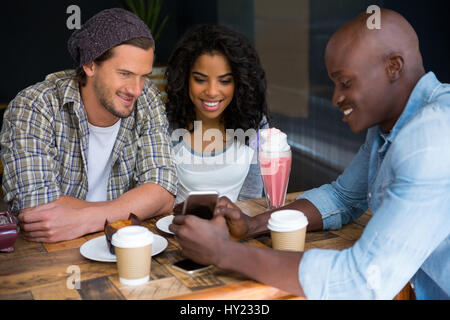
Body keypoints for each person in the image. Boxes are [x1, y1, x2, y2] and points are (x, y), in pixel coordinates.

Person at [170, 9, 450, 299]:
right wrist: (251, 225)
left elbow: (360, 281)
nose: (335, 98)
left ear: (393, 67)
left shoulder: (430, 139)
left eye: (345, 83)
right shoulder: (389, 128)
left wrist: (224, 252)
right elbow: (342, 197)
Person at [0, 8, 177, 243]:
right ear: (90, 65)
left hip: (125, 245)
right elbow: (37, 209)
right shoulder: (35, 106)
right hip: (53, 258)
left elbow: (163, 192)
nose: (137, 89)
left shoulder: (147, 100)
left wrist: (87, 219)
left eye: (143, 76)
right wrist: (131, 207)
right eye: (125, 73)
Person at [165, 24, 269, 204]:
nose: (212, 91)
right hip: (174, 227)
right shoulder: (167, 124)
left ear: (239, 82)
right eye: (200, 79)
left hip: (235, 228)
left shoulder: (255, 123)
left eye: (225, 81)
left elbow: (252, 199)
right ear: (184, 78)